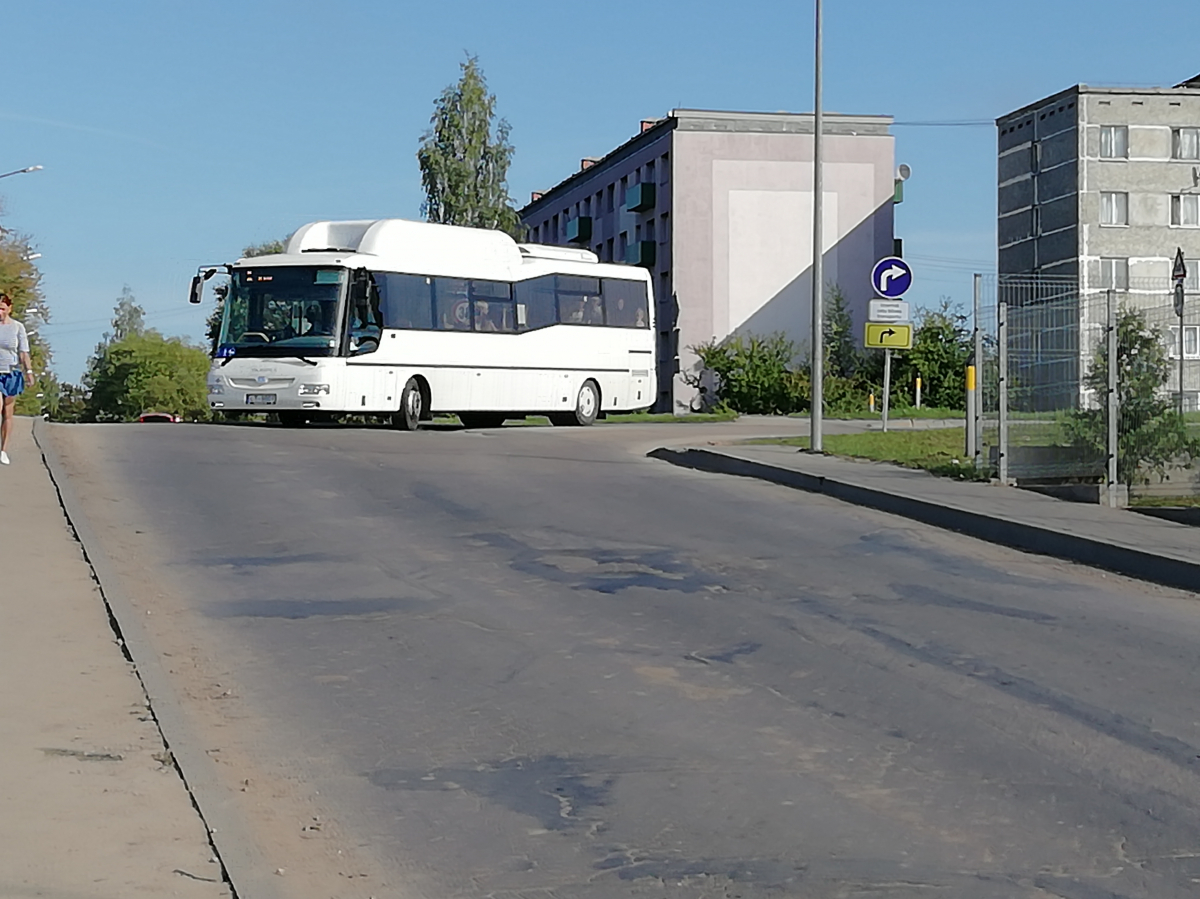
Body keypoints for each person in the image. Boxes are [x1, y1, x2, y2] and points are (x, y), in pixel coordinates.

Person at [0, 292, 34, 466]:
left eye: (2, 308)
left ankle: (3, 450)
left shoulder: (17, 327)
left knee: (8, 413)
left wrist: (29, 371)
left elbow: (23, 352)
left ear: (9, 308)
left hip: (12, 373)